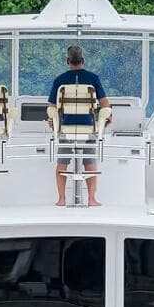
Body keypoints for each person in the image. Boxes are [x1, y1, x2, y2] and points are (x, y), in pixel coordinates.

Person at [49, 44, 110, 206]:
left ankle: (61, 199)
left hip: (65, 128)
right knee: (90, 162)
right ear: (82, 60)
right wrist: (107, 117)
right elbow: (105, 103)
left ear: (67, 60)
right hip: (88, 128)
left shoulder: (60, 80)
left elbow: (52, 107)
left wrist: (53, 121)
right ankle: (91, 199)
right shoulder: (93, 78)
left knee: (62, 163)